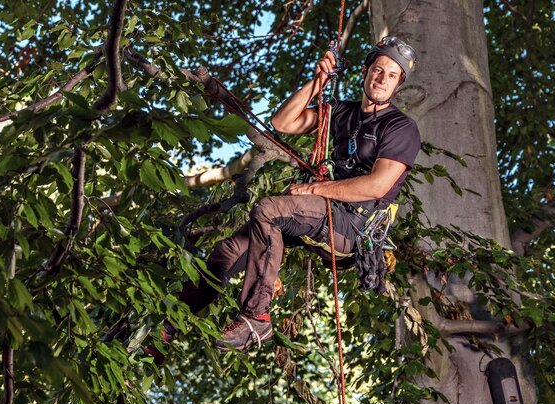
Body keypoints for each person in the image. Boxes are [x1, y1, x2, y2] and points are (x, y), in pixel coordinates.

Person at [145, 36, 421, 361]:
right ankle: (164, 334)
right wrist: (317, 82)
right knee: (228, 251)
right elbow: (282, 123)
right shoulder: (342, 112)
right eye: (378, 69)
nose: (382, 78)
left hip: (352, 224)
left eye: (391, 75)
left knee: (269, 209)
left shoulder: (400, 127)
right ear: (365, 71)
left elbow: (377, 185)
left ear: (397, 85)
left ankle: (256, 316)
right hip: (319, 213)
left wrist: (315, 188)